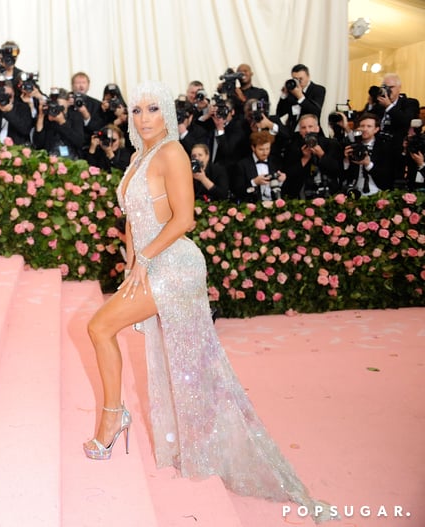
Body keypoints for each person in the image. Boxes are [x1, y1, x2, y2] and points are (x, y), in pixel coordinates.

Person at [83, 80, 332, 523]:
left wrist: (146, 258)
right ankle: (140, 424)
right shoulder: (140, 155)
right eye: (137, 110)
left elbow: (185, 219)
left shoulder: (173, 153)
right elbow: (132, 219)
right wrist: (130, 263)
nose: (142, 118)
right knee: (179, 358)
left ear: (169, 115)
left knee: (104, 329)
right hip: (148, 263)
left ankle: (114, 420)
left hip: (174, 266)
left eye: (153, 109)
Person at [341, 112, 395, 196]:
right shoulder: (352, 145)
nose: (365, 129)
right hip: (355, 192)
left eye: (369, 126)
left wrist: (368, 164)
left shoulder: (385, 147)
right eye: (362, 126)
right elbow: (344, 175)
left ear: (376, 129)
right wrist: (346, 160)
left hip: (378, 192)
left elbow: (387, 175)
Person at [233, 130, 287, 202]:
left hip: (274, 204)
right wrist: (254, 182)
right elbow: (238, 192)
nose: (265, 153)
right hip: (252, 206)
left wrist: (281, 181)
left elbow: (285, 191)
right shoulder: (242, 165)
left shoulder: (276, 162)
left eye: (267, 149)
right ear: (253, 148)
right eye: (261, 149)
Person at [275, 64, 326, 132]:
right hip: (292, 132)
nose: (298, 82)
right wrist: (284, 94)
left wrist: (300, 96)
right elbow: (279, 113)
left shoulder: (318, 89)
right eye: (295, 79)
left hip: (310, 131)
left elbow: (315, 111)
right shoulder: (292, 91)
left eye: (301, 79)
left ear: (308, 77)